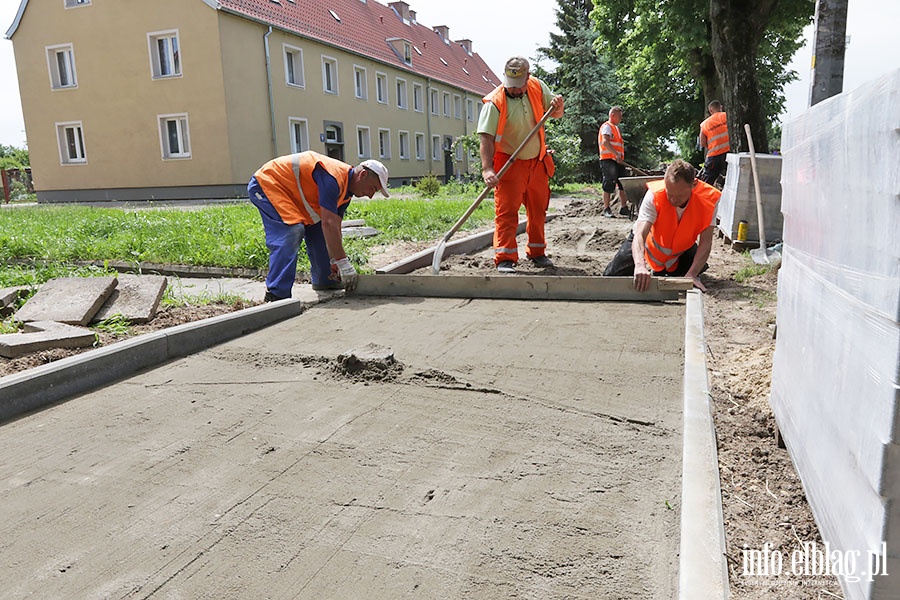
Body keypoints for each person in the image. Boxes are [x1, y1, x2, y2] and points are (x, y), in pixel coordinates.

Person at [248, 151, 389, 300]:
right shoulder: (333, 177)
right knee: (292, 231)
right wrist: (344, 263)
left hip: (294, 196)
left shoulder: (346, 193)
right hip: (268, 183)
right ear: (363, 175)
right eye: (373, 188)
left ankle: (325, 280)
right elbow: (328, 223)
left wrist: (335, 261)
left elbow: (333, 227)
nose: (371, 195)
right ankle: (277, 294)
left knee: (321, 233)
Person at [478, 56, 564, 274]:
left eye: (519, 86)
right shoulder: (495, 102)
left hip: (537, 162)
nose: (515, 90)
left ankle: (537, 252)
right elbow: (486, 138)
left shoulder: (537, 87)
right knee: (507, 211)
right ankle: (505, 257)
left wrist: (558, 106)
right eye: (511, 86)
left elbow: (556, 114)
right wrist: (487, 168)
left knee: (538, 210)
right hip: (509, 163)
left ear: (528, 76)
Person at [602, 159, 721, 292]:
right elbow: (640, 234)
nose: (673, 200)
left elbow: (706, 241)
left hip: (681, 249)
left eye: (679, 196)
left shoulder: (708, 199)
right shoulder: (654, 195)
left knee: (690, 275)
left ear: (693, 185)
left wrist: (692, 274)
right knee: (610, 277)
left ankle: (671, 270)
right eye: (670, 194)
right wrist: (640, 265)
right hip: (648, 244)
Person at [598, 106, 629, 218]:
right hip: (608, 159)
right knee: (609, 183)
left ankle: (624, 208)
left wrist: (619, 156)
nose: (621, 118)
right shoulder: (607, 127)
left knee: (622, 183)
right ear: (612, 115)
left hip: (617, 160)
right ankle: (606, 208)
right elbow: (605, 142)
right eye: (619, 116)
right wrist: (616, 155)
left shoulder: (615, 128)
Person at [699, 100, 730, 186]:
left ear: (710, 111)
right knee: (732, 178)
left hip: (713, 156)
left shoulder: (704, 124)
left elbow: (702, 142)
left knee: (707, 183)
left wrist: (712, 146)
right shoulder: (727, 116)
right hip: (729, 153)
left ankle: (704, 198)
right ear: (721, 107)